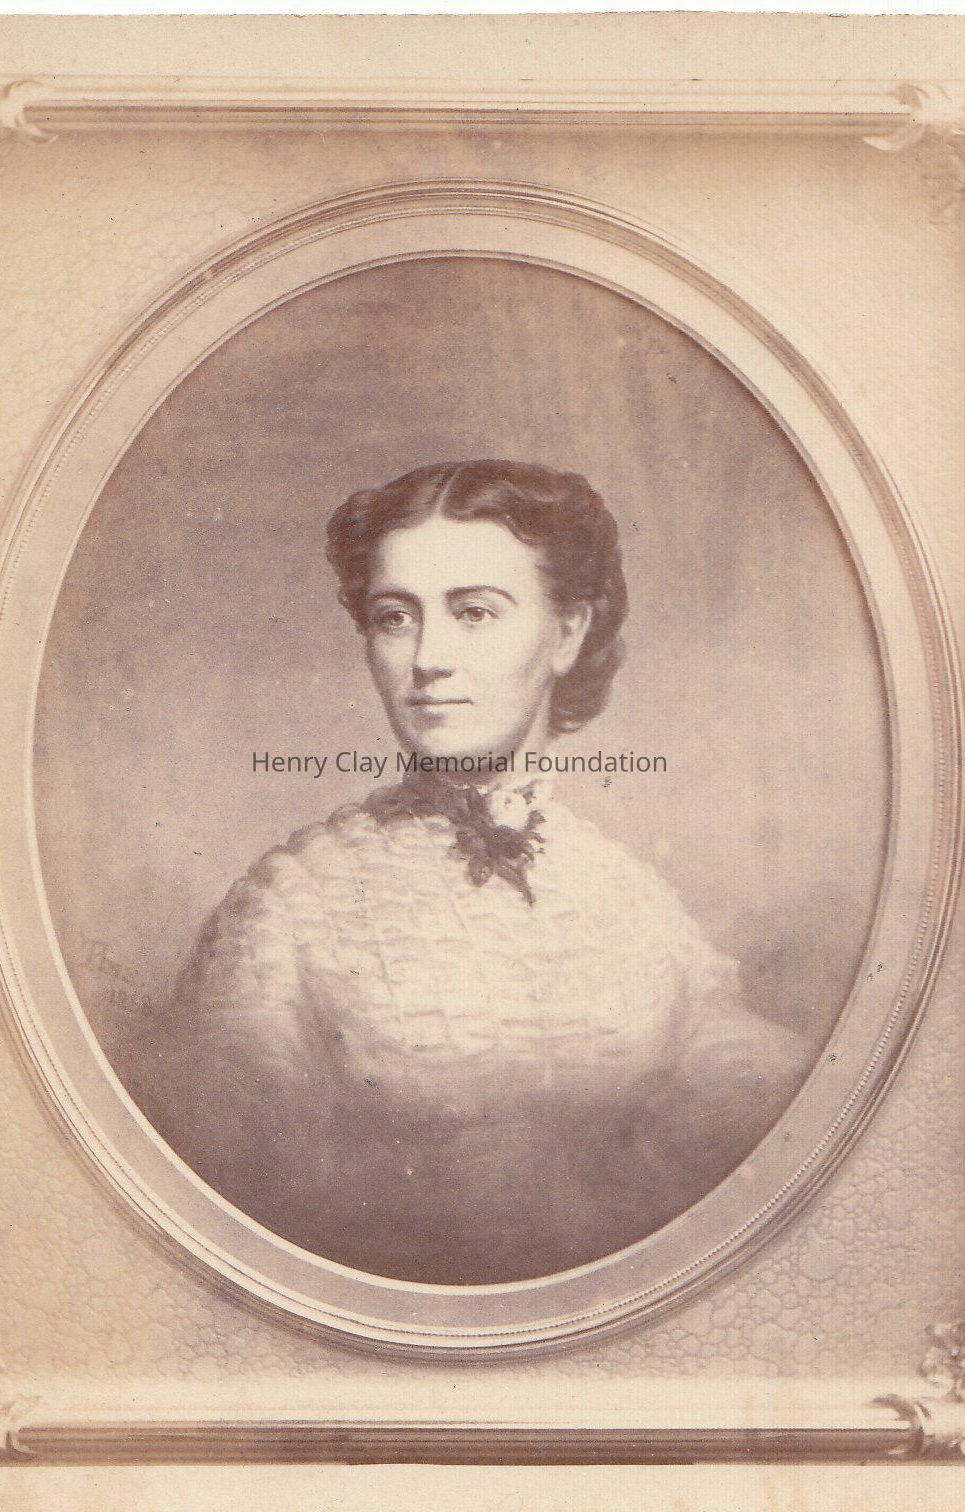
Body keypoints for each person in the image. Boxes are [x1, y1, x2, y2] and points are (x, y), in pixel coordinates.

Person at [150, 460, 808, 1284]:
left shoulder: (635, 904)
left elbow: (759, 1130)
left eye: (473, 613)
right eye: (395, 617)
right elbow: (226, 1203)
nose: (428, 658)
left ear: (566, 632)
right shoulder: (288, 905)